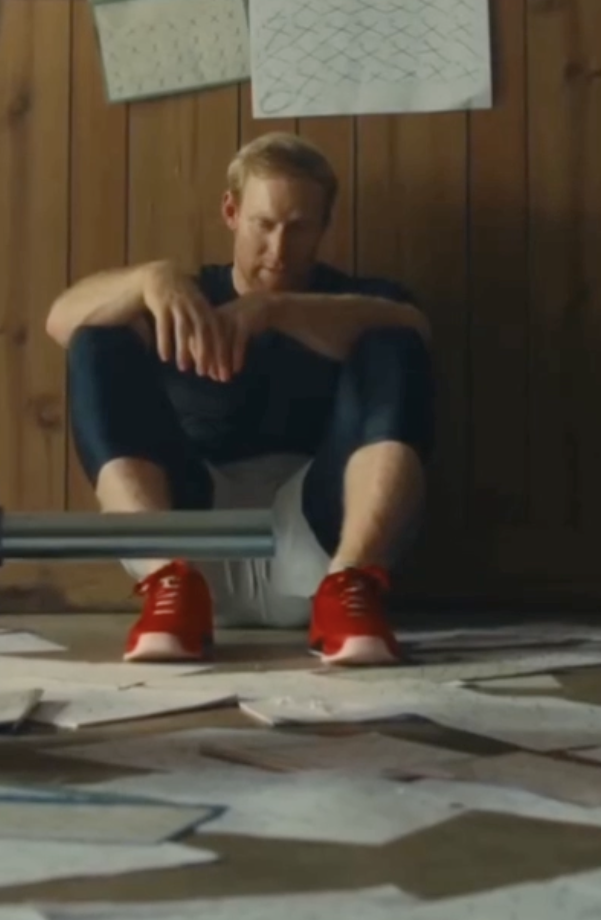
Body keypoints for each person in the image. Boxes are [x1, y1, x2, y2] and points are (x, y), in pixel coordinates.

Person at [45, 132, 434, 668]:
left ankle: (352, 588)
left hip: (319, 544)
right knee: (98, 334)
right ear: (231, 212)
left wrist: (275, 309)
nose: (279, 248)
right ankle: (167, 584)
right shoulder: (188, 297)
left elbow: (415, 327)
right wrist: (148, 280)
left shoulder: (356, 302)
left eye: (299, 227)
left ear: (324, 225)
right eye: (263, 224)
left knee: (392, 341)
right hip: (192, 545)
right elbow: (60, 322)